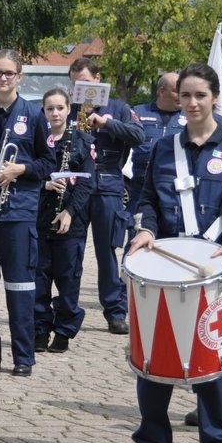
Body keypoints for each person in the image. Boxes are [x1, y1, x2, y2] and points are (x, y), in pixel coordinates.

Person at [122, 63, 222, 443]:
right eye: (186, 96)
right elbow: (146, 199)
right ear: (176, 100)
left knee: (213, 357)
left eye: (201, 95)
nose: (193, 103)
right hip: (165, 266)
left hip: (212, 267)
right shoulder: (164, 148)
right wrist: (144, 229)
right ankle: (152, 442)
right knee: (155, 357)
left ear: (216, 98)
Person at [0, 50, 47, 377]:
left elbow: (48, 165)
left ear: (20, 76)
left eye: (9, 73)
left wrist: (21, 168)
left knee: (20, 288)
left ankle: (23, 356)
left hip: (19, 212)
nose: (3, 78)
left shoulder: (35, 114)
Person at [69, 56, 144, 335]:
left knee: (106, 251)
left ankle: (115, 311)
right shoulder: (68, 106)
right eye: (76, 84)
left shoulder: (119, 107)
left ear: (98, 79)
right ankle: (66, 308)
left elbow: (139, 136)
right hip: (77, 184)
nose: (81, 88)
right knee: (71, 250)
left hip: (107, 184)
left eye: (86, 82)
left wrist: (107, 124)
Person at [34, 87, 94, 355]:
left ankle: (64, 330)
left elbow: (87, 184)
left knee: (68, 279)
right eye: (50, 108)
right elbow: (29, 176)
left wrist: (69, 211)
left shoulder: (83, 141)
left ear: (69, 110)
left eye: (60, 108)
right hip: (40, 219)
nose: (55, 113)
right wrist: (44, 185)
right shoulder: (39, 139)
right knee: (39, 279)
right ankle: (39, 329)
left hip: (71, 222)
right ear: (44, 112)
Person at [129, 70, 185, 214]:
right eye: (176, 91)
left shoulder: (190, 116)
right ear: (161, 91)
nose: (181, 96)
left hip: (175, 189)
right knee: (137, 228)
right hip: (140, 186)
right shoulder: (138, 112)